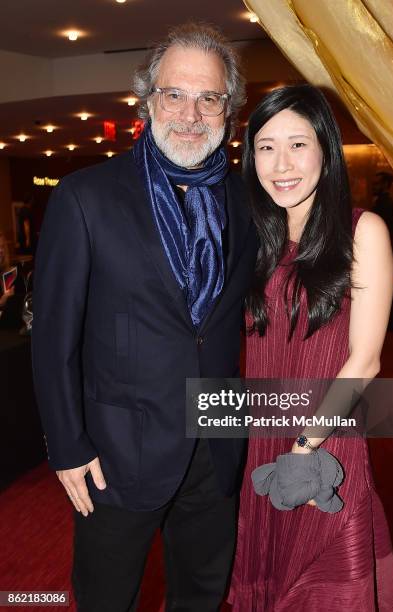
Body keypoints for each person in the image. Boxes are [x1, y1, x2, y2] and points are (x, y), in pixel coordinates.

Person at [32, 23, 257, 612]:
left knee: (202, 596)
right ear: (147, 99)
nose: (191, 113)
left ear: (228, 108)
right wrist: (66, 445)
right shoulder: (86, 196)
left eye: (209, 97)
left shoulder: (245, 199)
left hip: (217, 443)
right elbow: (54, 338)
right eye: (174, 94)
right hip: (115, 453)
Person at [229, 85, 393, 610]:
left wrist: (305, 448)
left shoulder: (361, 230)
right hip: (261, 438)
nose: (280, 163)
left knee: (325, 585)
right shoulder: (254, 240)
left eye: (298, 144)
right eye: (265, 146)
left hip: (323, 442)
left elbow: (365, 360)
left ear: (326, 150)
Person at [372, 171, 393, 330]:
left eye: (378, 182)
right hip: (383, 251)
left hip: (382, 252)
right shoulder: (382, 201)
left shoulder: (386, 203)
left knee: (384, 287)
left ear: (386, 184)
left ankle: (389, 323)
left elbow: (388, 230)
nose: (374, 185)